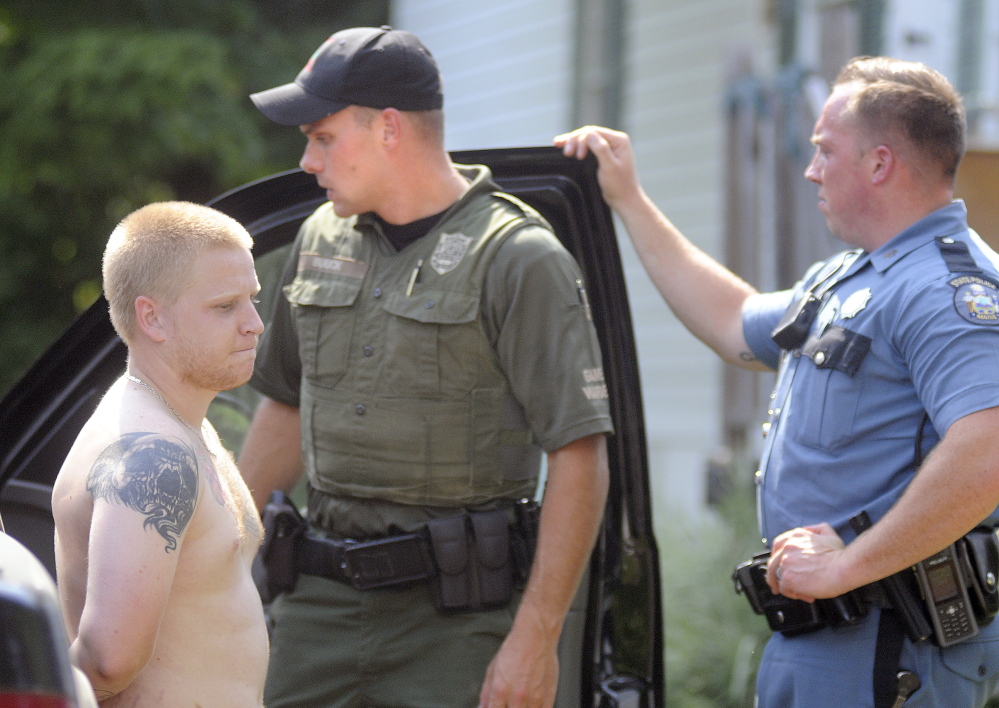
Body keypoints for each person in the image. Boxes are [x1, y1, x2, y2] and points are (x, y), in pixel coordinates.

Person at [557, 56, 999, 707]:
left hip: (887, 646)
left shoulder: (944, 289)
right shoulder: (853, 278)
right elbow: (732, 322)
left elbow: (987, 453)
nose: (810, 168)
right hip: (826, 642)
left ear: (879, 163)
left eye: (824, 150)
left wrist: (850, 563)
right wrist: (628, 199)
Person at [238, 25, 613, 708]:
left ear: (387, 128)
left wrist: (534, 639)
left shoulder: (517, 256)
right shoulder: (319, 240)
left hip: (457, 624)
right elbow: (284, 409)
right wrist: (216, 562)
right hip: (313, 610)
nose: (307, 162)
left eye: (322, 138)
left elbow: (579, 457)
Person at [51, 201, 269, 706]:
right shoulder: (152, 454)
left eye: (252, 299)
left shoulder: (181, 425)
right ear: (152, 318)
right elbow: (108, 661)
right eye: (224, 306)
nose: (254, 323)